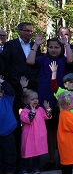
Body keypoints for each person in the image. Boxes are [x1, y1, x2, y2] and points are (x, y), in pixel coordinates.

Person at [26, 34, 73, 171]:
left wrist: (66, 44)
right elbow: (29, 62)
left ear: (61, 48)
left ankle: (64, 159)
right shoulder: (42, 60)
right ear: (47, 48)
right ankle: (52, 160)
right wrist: (35, 45)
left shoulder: (64, 60)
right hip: (46, 101)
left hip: (62, 102)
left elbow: (71, 60)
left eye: (56, 47)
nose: (53, 50)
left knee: (63, 132)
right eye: (50, 47)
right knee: (50, 132)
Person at [2, 22, 42, 166]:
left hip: (31, 89)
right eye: (26, 31)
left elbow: (36, 65)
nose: (29, 33)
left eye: (31, 31)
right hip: (14, 89)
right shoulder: (10, 45)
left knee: (32, 121)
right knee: (17, 121)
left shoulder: (35, 46)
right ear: (18, 31)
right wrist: (14, 82)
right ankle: (18, 160)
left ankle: (35, 159)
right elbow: (6, 66)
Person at [19, 89, 52, 174]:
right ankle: (24, 168)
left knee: (36, 152)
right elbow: (28, 119)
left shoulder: (40, 109)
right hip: (29, 137)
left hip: (38, 135)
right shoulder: (24, 111)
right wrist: (32, 111)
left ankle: (35, 167)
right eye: (32, 99)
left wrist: (47, 108)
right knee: (27, 152)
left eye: (36, 98)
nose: (35, 100)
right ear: (26, 100)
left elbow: (48, 117)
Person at [0, 72, 17, 174]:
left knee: (9, 153)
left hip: (7, 132)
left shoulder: (7, 99)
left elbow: (10, 90)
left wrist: (2, 81)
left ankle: (10, 171)